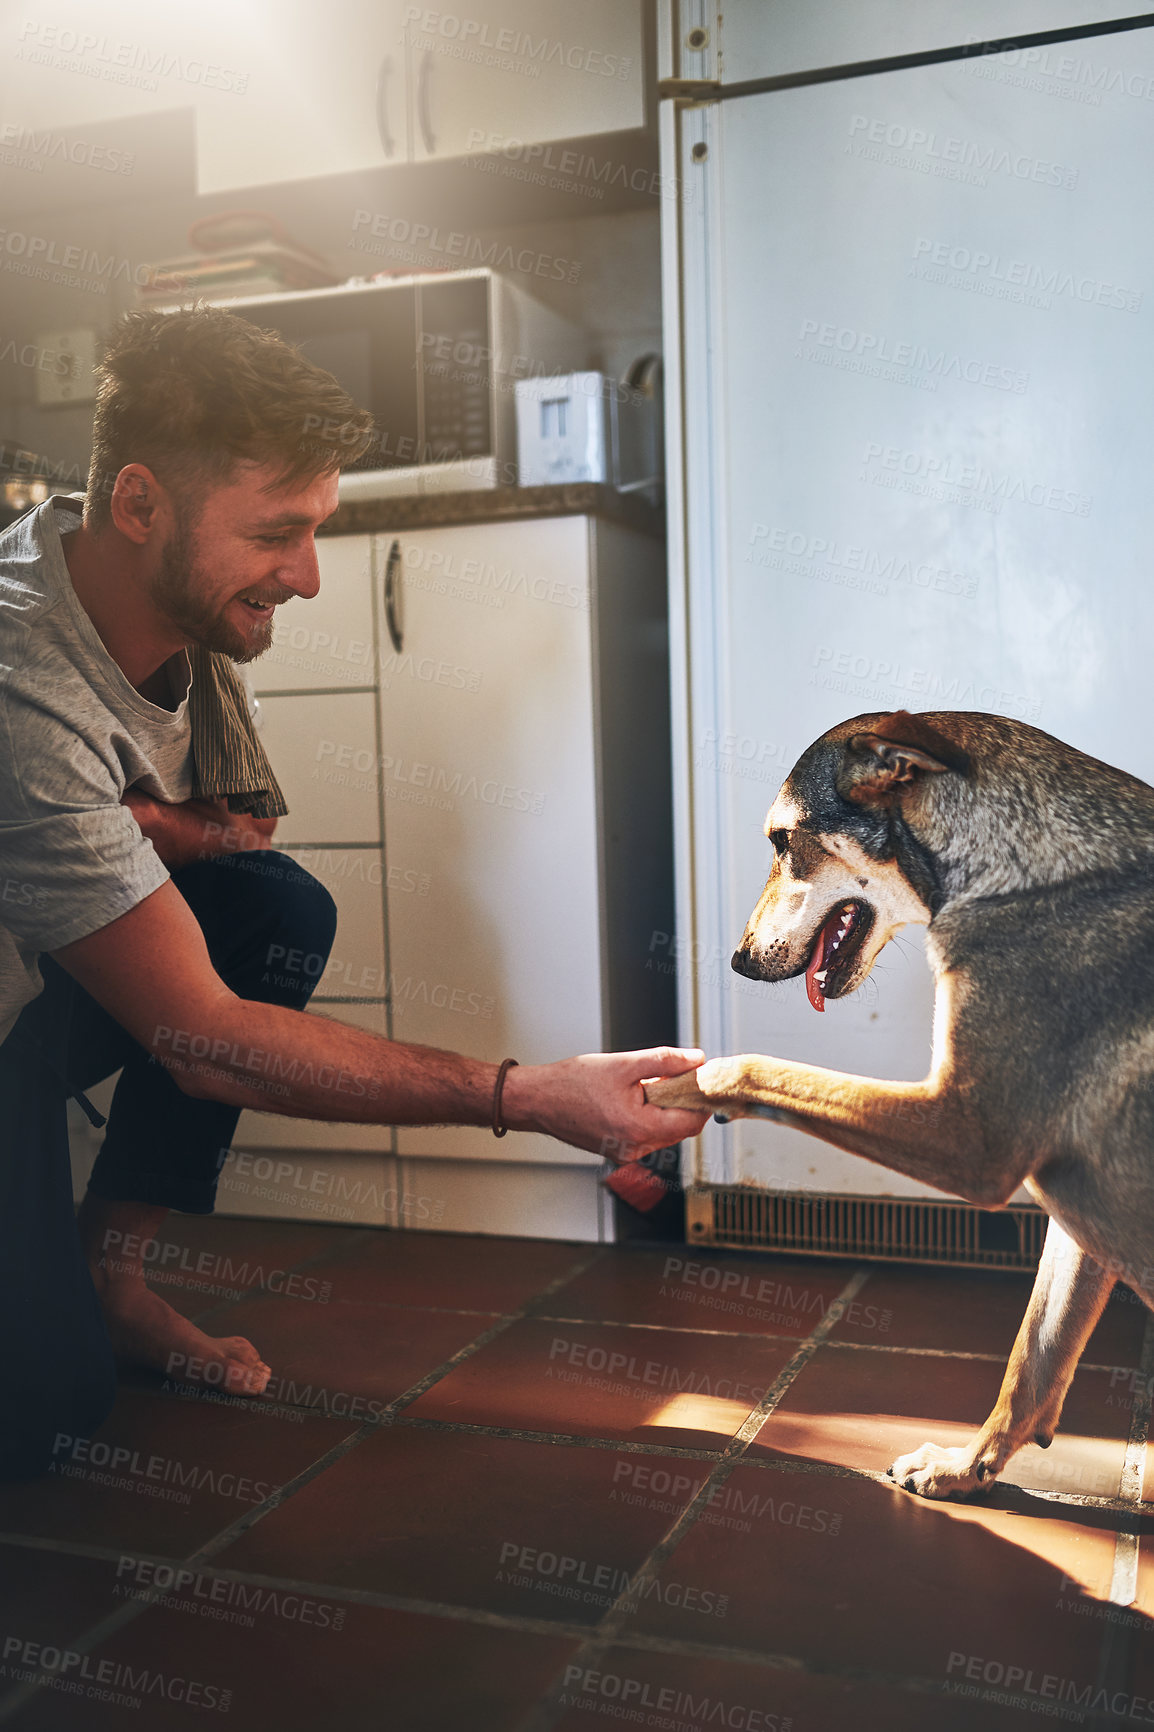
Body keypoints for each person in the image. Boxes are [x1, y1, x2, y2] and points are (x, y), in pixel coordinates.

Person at [0, 306, 709, 1481]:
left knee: (272, 906)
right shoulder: (23, 683)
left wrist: (173, 829)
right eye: (279, 533)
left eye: (319, 529)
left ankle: (107, 1277)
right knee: (44, 1413)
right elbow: (205, 1040)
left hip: (33, 983)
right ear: (138, 505)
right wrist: (528, 1094)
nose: (311, 576)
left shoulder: (173, 602)